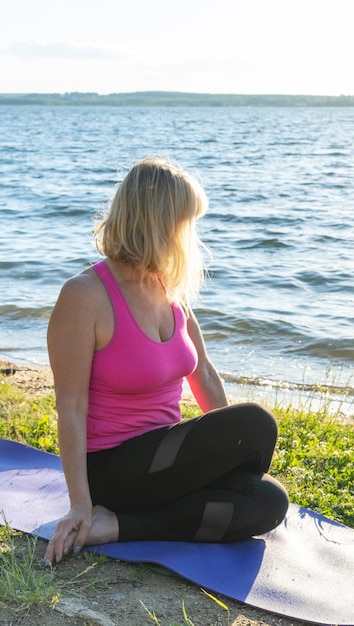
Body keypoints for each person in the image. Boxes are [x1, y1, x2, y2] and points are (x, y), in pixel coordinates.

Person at [44, 156, 289, 565]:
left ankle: (120, 526)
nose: (189, 236)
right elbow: (70, 408)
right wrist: (80, 504)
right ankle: (105, 513)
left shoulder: (167, 287)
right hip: (113, 468)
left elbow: (204, 374)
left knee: (268, 501)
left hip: (168, 465)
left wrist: (229, 460)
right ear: (159, 222)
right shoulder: (84, 295)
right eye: (184, 223)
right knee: (256, 423)